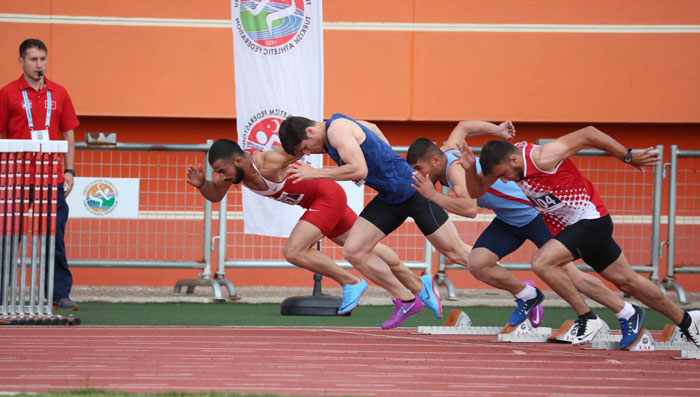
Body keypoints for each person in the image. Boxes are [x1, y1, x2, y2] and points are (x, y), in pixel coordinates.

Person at [459, 126, 700, 348]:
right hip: (573, 228)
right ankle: (688, 321)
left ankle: (588, 318)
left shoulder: (543, 156)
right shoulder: (506, 164)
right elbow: (476, 191)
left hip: (591, 222)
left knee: (543, 263)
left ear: (513, 159)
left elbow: (588, 133)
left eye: (504, 174)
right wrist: (470, 169)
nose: (505, 180)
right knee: (628, 281)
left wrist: (627, 155)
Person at [408, 121, 642, 347]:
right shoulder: (451, 147)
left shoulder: (455, 171)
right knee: (478, 263)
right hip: (508, 219)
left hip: (535, 215)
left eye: (420, 169)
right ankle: (528, 295)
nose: (419, 175)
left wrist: (434, 196)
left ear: (436, 160)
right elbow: (464, 126)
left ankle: (624, 312)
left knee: (571, 275)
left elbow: (469, 209)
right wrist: (498, 130)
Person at [186, 139, 441, 326]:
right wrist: (202, 185)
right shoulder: (232, 174)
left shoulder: (267, 160)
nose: (221, 177)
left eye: (222, 171)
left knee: (294, 251)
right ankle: (421, 286)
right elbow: (215, 195)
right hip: (317, 201)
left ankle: (351, 282)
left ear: (238, 161)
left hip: (326, 196)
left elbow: (298, 148)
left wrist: (331, 138)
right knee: (367, 248)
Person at [278, 113, 471, 329]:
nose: (307, 153)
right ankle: (406, 300)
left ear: (310, 131)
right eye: (302, 153)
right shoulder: (336, 130)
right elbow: (372, 127)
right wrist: (386, 158)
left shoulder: (336, 130)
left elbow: (360, 169)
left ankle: (513, 287)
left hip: (414, 191)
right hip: (389, 197)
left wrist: (315, 173)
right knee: (354, 251)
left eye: (304, 148)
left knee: (457, 253)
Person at [0, 39, 78, 310]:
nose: (39, 64)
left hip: (51, 177)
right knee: (8, 235)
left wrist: (69, 169)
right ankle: (1, 293)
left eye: (43, 59)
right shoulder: (8, 93)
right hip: (16, 178)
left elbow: (68, 132)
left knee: (54, 235)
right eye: (33, 59)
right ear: (21, 62)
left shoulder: (59, 92)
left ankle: (58, 293)